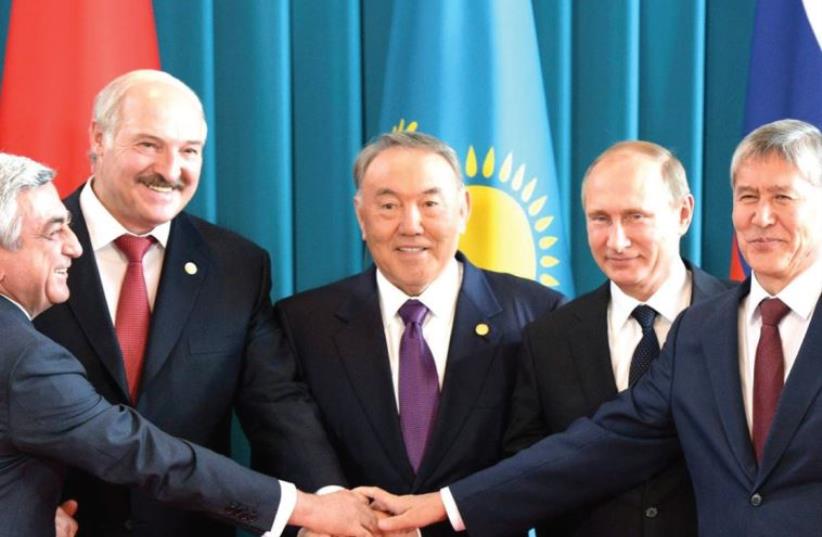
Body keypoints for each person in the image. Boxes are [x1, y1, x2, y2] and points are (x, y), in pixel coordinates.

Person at [366, 118, 822, 537]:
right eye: (748, 197)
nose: (762, 217)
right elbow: (604, 441)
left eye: (782, 197)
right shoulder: (702, 330)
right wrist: (443, 504)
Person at [33, 69, 346, 536]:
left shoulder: (237, 266)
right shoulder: (24, 250)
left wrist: (327, 502)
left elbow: (275, 401)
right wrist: (14, 505)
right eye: (148, 145)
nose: (170, 169)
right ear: (98, 138)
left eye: (189, 151)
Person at [274, 132, 565, 536]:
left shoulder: (537, 315)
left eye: (430, 204)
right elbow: (286, 454)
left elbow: (542, 465)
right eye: (389, 205)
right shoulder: (303, 323)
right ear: (361, 216)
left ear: (463, 209)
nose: (411, 225)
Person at [504, 141, 731, 536]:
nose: (617, 241)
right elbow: (528, 466)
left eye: (635, 216)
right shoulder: (549, 337)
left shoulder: (743, 319)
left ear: (683, 214)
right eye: (600, 219)